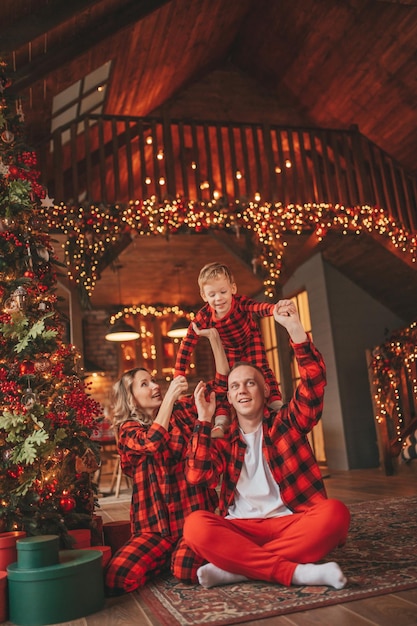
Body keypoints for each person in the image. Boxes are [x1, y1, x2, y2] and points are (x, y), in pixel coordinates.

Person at [182, 299, 350, 590]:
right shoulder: (225, 441)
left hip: (291, 522)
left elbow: (314, 383)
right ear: (230, 399)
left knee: (335, 514)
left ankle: (240, 569)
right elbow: (197, 476)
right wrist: (203, 419)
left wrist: (295, 331)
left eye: (249, 383)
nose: (241, 390)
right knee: (195, 526)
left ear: (264, 390)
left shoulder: (287, 423)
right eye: (234, 386)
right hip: (241, 528)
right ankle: (299, 572)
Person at [104, 326, 229, 595]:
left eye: (154, 381)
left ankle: (181, 558)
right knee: (117, 578)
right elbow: (151, 441)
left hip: (193, 523)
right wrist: (170, 397)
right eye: (144, 384)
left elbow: (220, 388)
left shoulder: (183, 412)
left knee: (185, 571)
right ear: (131, 397)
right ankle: (167, 557)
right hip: (153, 530)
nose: (155, 386)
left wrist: (215, 341)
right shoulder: (127, 430)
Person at [174, 261, 282, 438]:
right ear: (204, 296)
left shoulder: (240, 303)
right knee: (226, 383)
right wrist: (179, 373)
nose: (218, 298)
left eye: (223, 292)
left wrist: (274, 309)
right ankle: (222, 419)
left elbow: (258, 307)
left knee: (260, 371)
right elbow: (187, 344)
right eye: (212, 294)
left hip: (250, 341)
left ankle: (275, 402)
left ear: (233, 288)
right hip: (229, 350)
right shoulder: (203, 317)